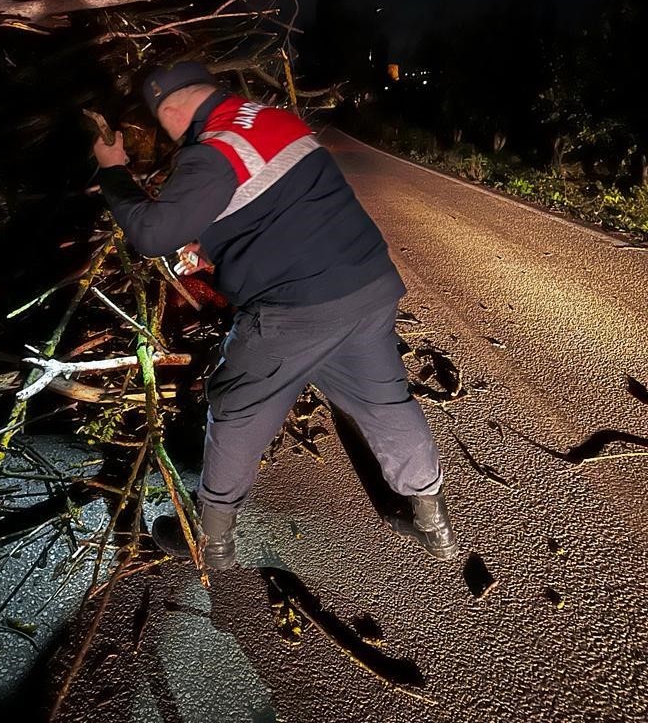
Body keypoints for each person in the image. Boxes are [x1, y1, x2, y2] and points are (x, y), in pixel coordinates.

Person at [93, 61, 456, 569]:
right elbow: (279, 203)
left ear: (171, 108)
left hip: (297, 309)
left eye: (161, 122)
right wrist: (215, 243)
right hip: (367, 285)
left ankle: (212, 541)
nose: (166, 134)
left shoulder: (214, 149)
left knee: (238, 407)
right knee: (385, 402)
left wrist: (112, 170)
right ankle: (432, 523)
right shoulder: (269, 119)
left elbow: (151, 233)